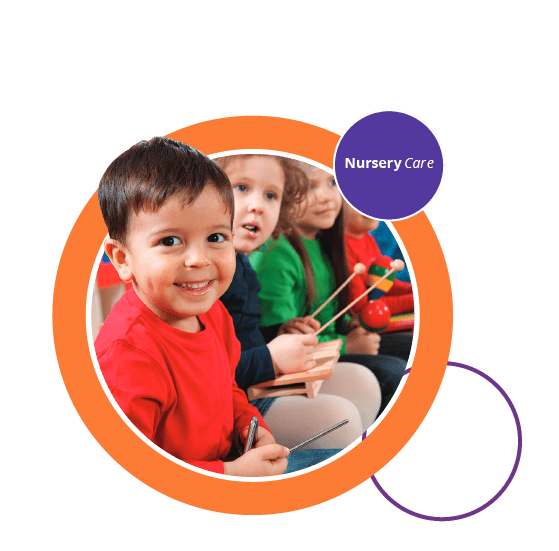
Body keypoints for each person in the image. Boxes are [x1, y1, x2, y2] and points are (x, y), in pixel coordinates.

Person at [94, 137, 326, 477]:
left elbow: (228, 387)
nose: (200, 259)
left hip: (230, 459)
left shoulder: (211, 311)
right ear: (122, 258)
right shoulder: (126, 356)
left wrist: (251, 426)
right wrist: (230, 474)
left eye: (216, 238)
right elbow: (132, 471)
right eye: (169, 241)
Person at [216, 154, 381, 448]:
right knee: (340, 418)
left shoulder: (241, 265)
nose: (257, 205)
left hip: (253, 384)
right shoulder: (208, 276)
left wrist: (278, 334)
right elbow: (209, 369)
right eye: (242, 188)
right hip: (229, 407)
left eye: (270, 195)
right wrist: (270, 357)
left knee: (364, 382)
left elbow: (245, 338)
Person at [250, 164, 408, 416]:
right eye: (311, 186)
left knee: (412, 344)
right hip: (301, 362)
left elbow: (330, 314)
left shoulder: (324, 244)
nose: (326, 196)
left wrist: (349, 324)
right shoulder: (276, 255)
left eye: (332, 183)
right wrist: (347, 345)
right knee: (394, 373)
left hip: (327, 346)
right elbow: (282, 340)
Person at [343, 200, 414, 361]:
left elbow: (387, 285)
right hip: (362, 330)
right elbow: (362, 307)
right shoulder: (342, 248)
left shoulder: (367, 239)